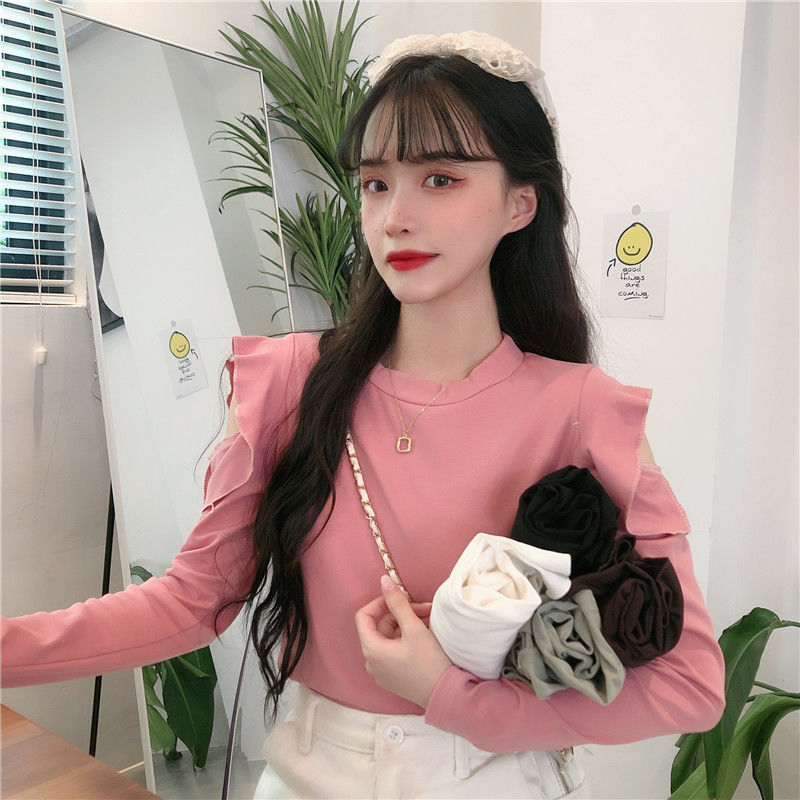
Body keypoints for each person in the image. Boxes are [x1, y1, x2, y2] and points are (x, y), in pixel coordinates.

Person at [1, 31, 725, 799]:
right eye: (376, 183)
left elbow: (692, 687)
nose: (395, 217)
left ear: (521, 203)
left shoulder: (583, 410)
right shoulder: (290, 383)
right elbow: (191, 603)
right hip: (311, 775)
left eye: (440, 179)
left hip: (492, 778)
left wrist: (452, 697)